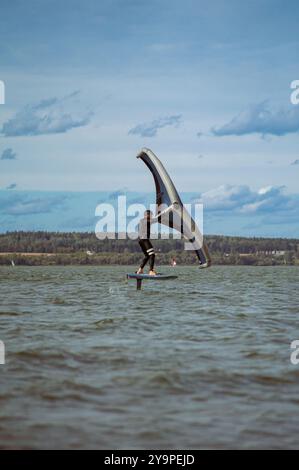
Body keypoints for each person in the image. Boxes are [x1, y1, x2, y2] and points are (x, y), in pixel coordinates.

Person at [136, 205, 174, 276]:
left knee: (147, 256)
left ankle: (140, 270)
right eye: (150, 215)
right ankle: (151, 271)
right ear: (146, 215)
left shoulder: (142, 221)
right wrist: (170, 209)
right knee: (152, 255)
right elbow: (158, 218)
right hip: (144, 240)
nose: (151, 216)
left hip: (141, 240)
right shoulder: (145, 220)